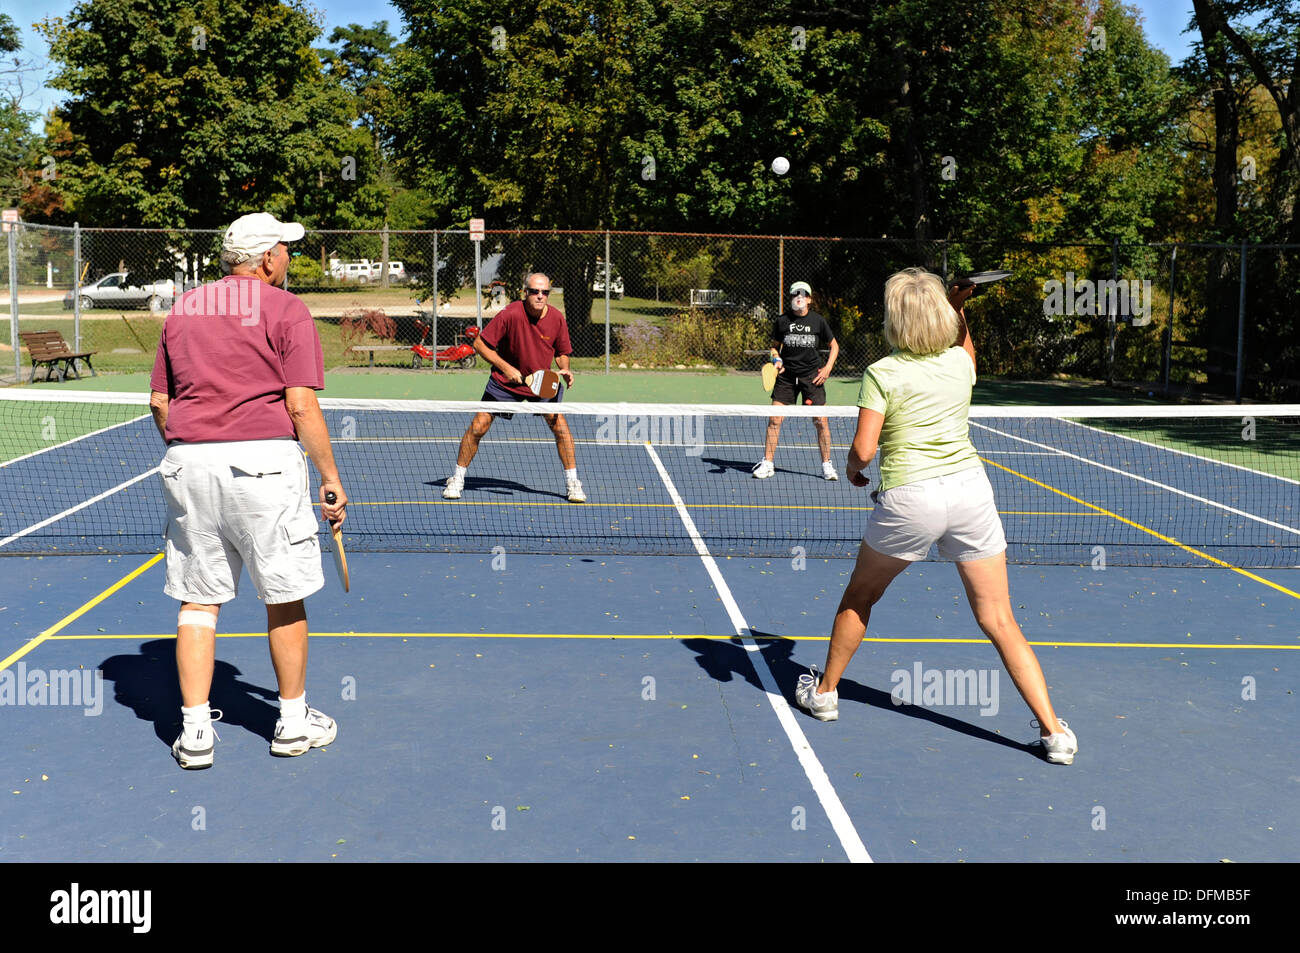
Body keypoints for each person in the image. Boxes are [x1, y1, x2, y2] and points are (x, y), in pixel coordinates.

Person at [794, 267, 1078, 765]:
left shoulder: (882, 373)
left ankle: (825, 694)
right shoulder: (957, 364)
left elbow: (863, 449)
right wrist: (960, 307)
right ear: (942, 314)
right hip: (971, 494)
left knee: (861, 596)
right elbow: (965, 348)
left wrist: (855, 470)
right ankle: (1054, 733)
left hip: (911, 498)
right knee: (999, 619)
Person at [149, 212, 347, 769]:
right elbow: (301, 404)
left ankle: (194, 734)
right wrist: (331, 478)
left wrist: (195, 449)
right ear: (265, 258)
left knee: (198, 600)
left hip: (187, 463)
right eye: (286, 249)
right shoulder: (288, 309)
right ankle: (291, 721)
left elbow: (161, 404)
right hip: (264, 465)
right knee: (284, 593)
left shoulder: (183, 309)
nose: (290, 258)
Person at [442, 272, 585, 502]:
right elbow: (480, 344)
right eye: (535, 291)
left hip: (541, 383)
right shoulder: (510, 314)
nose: (540, 296)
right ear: (525, 292)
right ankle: (457, 478)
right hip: (505, 383)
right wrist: (506, 368)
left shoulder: (557, 318)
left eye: (545, 292)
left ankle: (573, 482)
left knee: (560, 428)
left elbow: (562, 352)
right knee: (479, 425)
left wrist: (565, 368)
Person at [752, 281, 840, 481]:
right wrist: (776, 360)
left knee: (821, 421)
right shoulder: (782, 321)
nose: (798, 297)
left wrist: (827, 369)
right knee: (775, 419)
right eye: (794, 294)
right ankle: (767, 463)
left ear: (809, 299)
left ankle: (827, 465)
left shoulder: (818, 321)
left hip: (812, 377)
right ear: (791, 298)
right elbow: (774, 348)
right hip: (786, 377)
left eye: (802, 294)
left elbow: (834, 346)